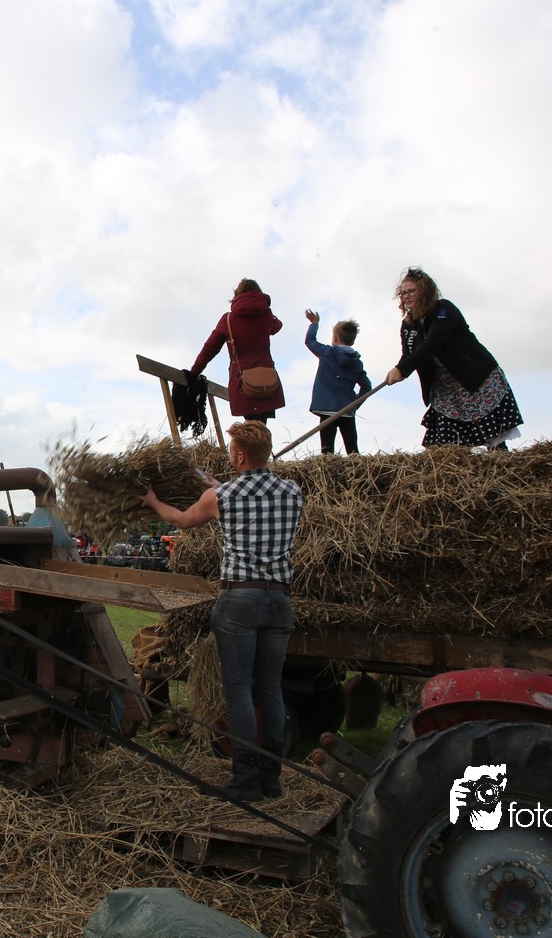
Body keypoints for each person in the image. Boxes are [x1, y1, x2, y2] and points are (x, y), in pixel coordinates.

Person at [139, 420, 300, 802]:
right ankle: (271, 778)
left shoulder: (221, 496)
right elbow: (257, 498)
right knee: (270, 688)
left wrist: (153, 501)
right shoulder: (292, 490)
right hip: (279, 600)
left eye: (232, 452)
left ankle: (245, 779)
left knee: (238, 689)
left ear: (239, 456)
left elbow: (181, 520)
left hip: (240, 599)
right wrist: (221, 486)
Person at [384, 266, 523, 450]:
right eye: (403, 293)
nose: (406, 296)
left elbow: (433, 342)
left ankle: (501, 462)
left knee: (493, 438)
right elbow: (409, 354)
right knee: (445, 448)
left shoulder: (444, 310)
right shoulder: (408, 325)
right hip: (445, 390)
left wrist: (402, 370)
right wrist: (398, 369)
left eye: (411, 291)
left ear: (424, 292)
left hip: (475, 380)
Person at [190, 279, 284, 423]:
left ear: (237, 295)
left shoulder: (228, 319)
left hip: (242, 381)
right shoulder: (267, 315)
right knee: (261, 427)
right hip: (267, 380)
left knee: (250, 427)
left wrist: (194, 372)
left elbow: (209, 349)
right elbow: (277, 327)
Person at [304, 309, 372, 455]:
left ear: (335, 338)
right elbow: (367, 387)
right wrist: (354, 404)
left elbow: (310, 341)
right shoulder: (357, 362)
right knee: (353, 452)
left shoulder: (327, 352)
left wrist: (314, 323)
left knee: (327, 453)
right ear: (352, 340)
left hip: (326, 410)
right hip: (347, 411)